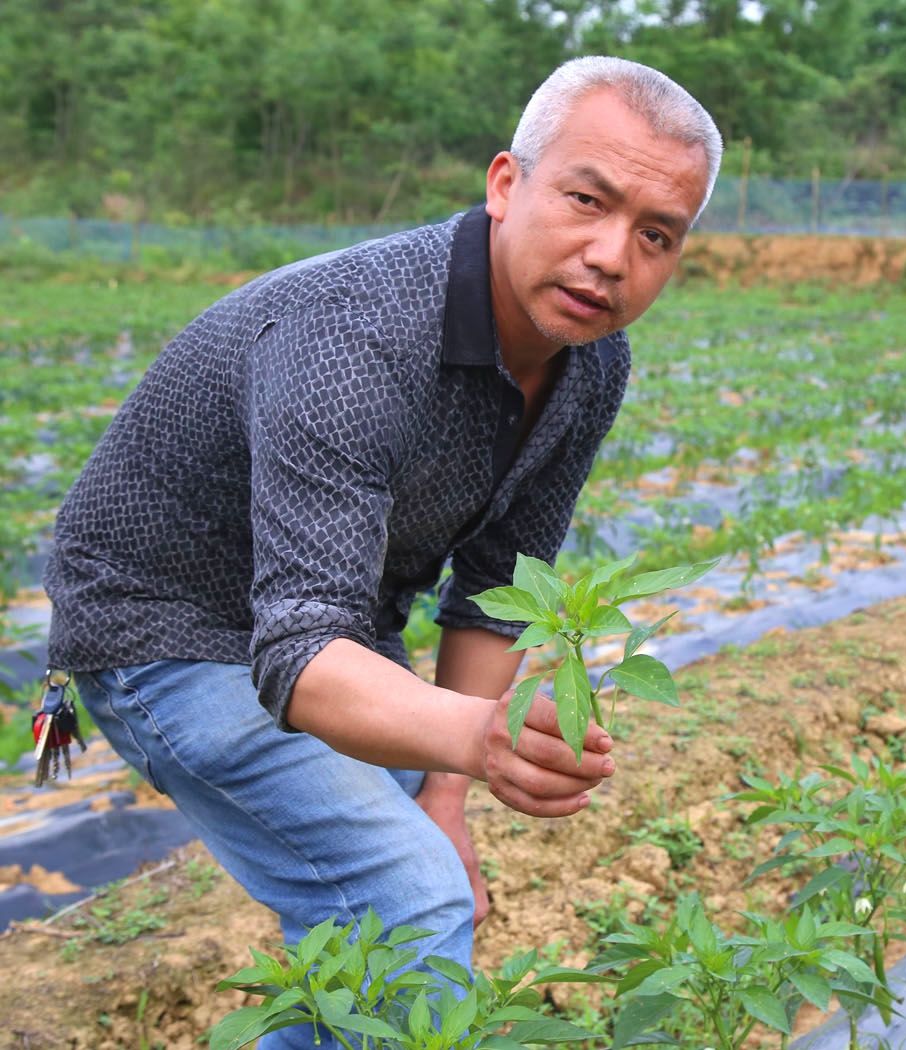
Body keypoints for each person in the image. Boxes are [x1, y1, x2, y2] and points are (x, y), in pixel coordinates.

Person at [42, 56, 720, 1047]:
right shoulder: (353, 337)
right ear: (505, 185)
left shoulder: (591, 360)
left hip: (330, 632)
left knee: (412, 884)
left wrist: (452, 789)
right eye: (587, 200)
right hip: (168, 634)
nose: (613, 256)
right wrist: (481, 737)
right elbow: (296, 653)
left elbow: (497, 587)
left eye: (656, 235)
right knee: (408, 901)